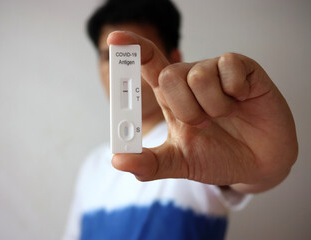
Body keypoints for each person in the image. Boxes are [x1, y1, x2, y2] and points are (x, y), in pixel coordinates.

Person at [62, 0, 298, 239]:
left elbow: (248, 176)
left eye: (131, 58)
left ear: (172, 59)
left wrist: (263, 166)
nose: (119, 72)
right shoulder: (91, 167)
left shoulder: (202, 138)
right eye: (108, 58)